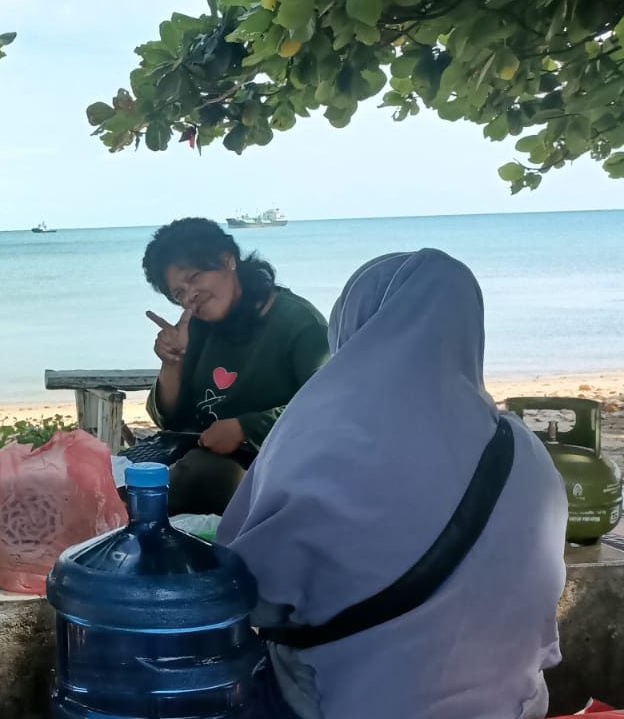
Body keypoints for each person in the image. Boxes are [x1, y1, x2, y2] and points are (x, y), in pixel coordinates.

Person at [218, 249, 567, 718]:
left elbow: (250, 591)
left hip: (350, 702)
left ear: (353, 325)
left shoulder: (317, 437)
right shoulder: (522, 448)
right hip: (511, 701)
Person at [141, 218, 329, 515]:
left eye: (195, 277)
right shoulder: (199, 326)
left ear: (228, 260)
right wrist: (172, 362)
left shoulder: (298, 323)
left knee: (194, 478)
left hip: (275, 474)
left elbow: (330, 407)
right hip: (195, 459)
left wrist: (246, 428)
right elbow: (170, 422)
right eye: (178, 293)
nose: (190, 296)